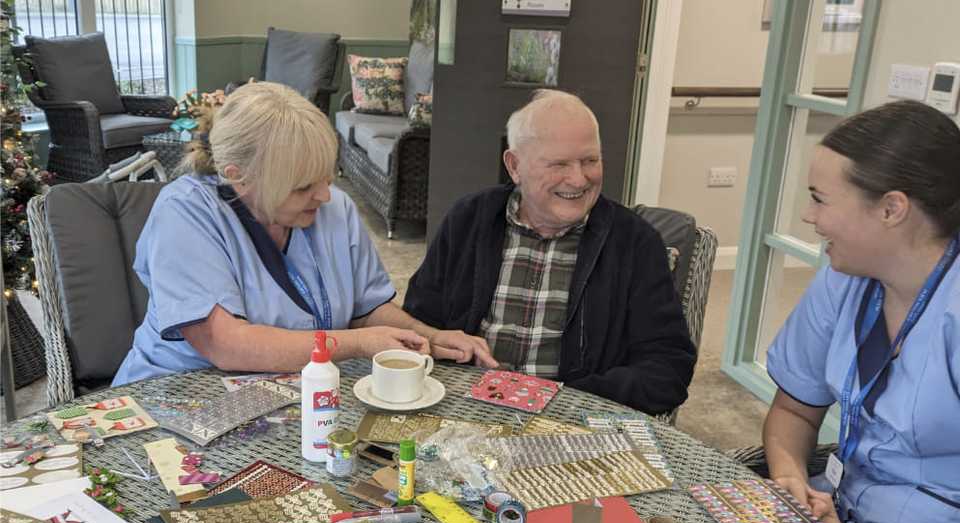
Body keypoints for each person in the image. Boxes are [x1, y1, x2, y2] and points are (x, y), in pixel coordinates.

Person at [763, 100, 960, 523]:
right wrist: (788, 478)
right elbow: (794, 411)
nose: (809, 216)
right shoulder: (847, 274)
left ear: (892, 208)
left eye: (820, 199)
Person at [113, 82, 493, 386]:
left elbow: (366, 310)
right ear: (236, 177)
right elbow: (226, 345)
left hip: (290, 395)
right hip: (179, 393)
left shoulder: (334, 209)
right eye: (301, 186)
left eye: (326, 178)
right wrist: (355, 345)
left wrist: (427, 335)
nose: (324, 196)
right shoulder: (185, 213)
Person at [403, 90, 695, 415]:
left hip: (573, 424)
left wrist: (563, 400)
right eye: (559, 164)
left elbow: (668, 368)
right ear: (515, 166)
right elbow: (417, 326)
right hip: (465, 411)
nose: (578, 179)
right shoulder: (469, 219)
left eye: (590, 160)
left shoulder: (635, 243)